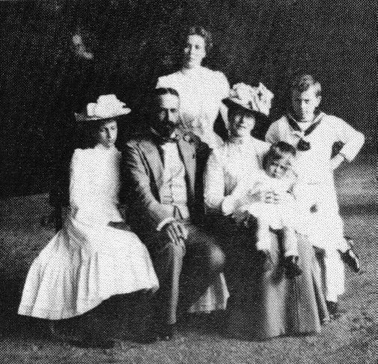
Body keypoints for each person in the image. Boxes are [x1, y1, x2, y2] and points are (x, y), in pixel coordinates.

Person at [18, 95, 159, 347]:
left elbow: (126, 194)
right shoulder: (82, 156)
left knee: (133, 246)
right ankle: (92, 326)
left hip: (112, 214)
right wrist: (97, 221)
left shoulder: (121, 156)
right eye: (103, 129)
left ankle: (127, 322)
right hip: (83, 216)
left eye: (113, 128)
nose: (109, 134)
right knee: (97, 249)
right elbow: (78, 198)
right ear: (93, 131)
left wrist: (120, 219)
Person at [204, 91, 329, 340]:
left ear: (254, 121)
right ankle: (265, 324)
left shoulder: (266, 149)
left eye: (248, 116)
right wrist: (247, 200)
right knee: (268, 246)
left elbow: (293, 181)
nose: (242, 121)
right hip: (238, 220)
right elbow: (210, 203)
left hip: (277, 213)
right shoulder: (218, 155)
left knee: (300, 244)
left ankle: (299, 320)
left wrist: (288, 198)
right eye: (237, 114)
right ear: (228, 118)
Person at [122, 87, 226, 341]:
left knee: (214, 255)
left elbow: (222, 158)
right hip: (154, 221)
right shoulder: (135, 147)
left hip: (188, 220)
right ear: (151, 112)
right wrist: (165, 220)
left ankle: (168, 311)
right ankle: (163, 323)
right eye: (162, 110)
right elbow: (140, 194)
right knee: (173, 247)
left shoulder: (189, 142)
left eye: (173, 110)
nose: (169, 117)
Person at [265, 74, 364, 318]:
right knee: (308, 237)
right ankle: (339, 253)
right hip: (295, 190)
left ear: (317, 100)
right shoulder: (279, 126)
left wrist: (337, 160)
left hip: (322, 189)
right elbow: (266, 153)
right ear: (291, 99)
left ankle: (331, 299)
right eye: (298, 100)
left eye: (308, 101)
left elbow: (357, 137)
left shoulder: (329, 123)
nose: (302, 106)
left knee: (329, 239)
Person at [232, 141, 302, 278]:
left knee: (289, 229)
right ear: (267, 160)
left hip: (279, 213)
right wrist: (253, 197)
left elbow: (296, 191)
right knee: (261, 224)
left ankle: (291, 258)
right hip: (262, 209)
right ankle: (262, 253)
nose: (277, 170)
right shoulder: (257, 175)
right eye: (274, 164)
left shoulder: (286, 181)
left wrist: (285, 198)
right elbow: (242, 192)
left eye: (282, 168)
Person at [156, 26, 230, 149]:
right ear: (182, 49)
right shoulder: (167, 82)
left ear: (205, 52)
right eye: (187, 46)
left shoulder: (217, 79)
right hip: (179, 146)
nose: (191, 52)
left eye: (197, 47)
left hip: (211, 145)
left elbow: (228, 118)